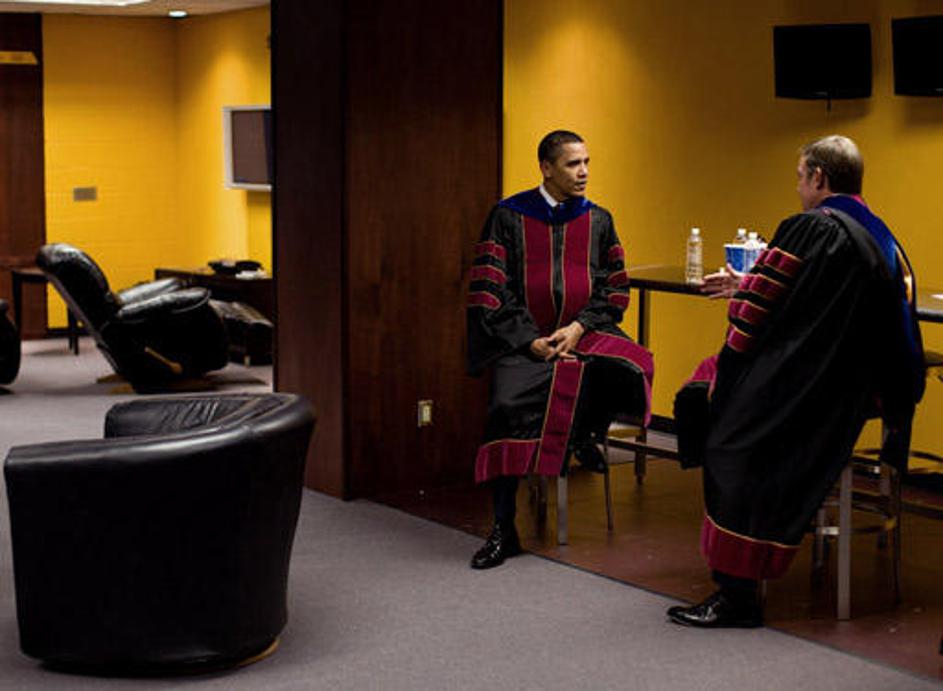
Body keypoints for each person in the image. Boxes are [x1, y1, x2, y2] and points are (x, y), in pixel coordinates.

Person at [668, 135, 924, 627]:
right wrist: (746, 284)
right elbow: (817, 299)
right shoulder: (880, 234)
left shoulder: (809, 226)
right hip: (854, 389)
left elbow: (755, 316)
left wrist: (740, 317)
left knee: (730, 439)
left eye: (800, 176)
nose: (799, 187)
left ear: (818, 177)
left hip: (811, 386)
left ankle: (737, 595)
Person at [466, 130, 653, 570]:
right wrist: (529, 340)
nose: (584, 172)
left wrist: (578, 326)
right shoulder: (508, 216)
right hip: (524, 342)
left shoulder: (599, 219)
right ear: (547, 168)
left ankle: (581, 432)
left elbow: (613, 287)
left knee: (631, 366)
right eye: (573, 164)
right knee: (506, 405)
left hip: (583, 335)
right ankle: (503, 529)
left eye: (587, 162)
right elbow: (492, 289)